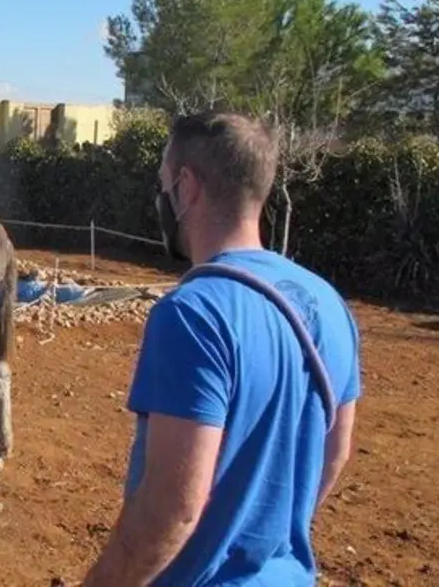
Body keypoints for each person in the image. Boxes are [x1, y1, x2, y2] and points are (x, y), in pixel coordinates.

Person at [82, 112, 361, 586]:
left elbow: (173, 508)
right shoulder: (328, 301)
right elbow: (334, 454)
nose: (160, 198)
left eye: (163, 184)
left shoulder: (192, 314)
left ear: (186, 187)